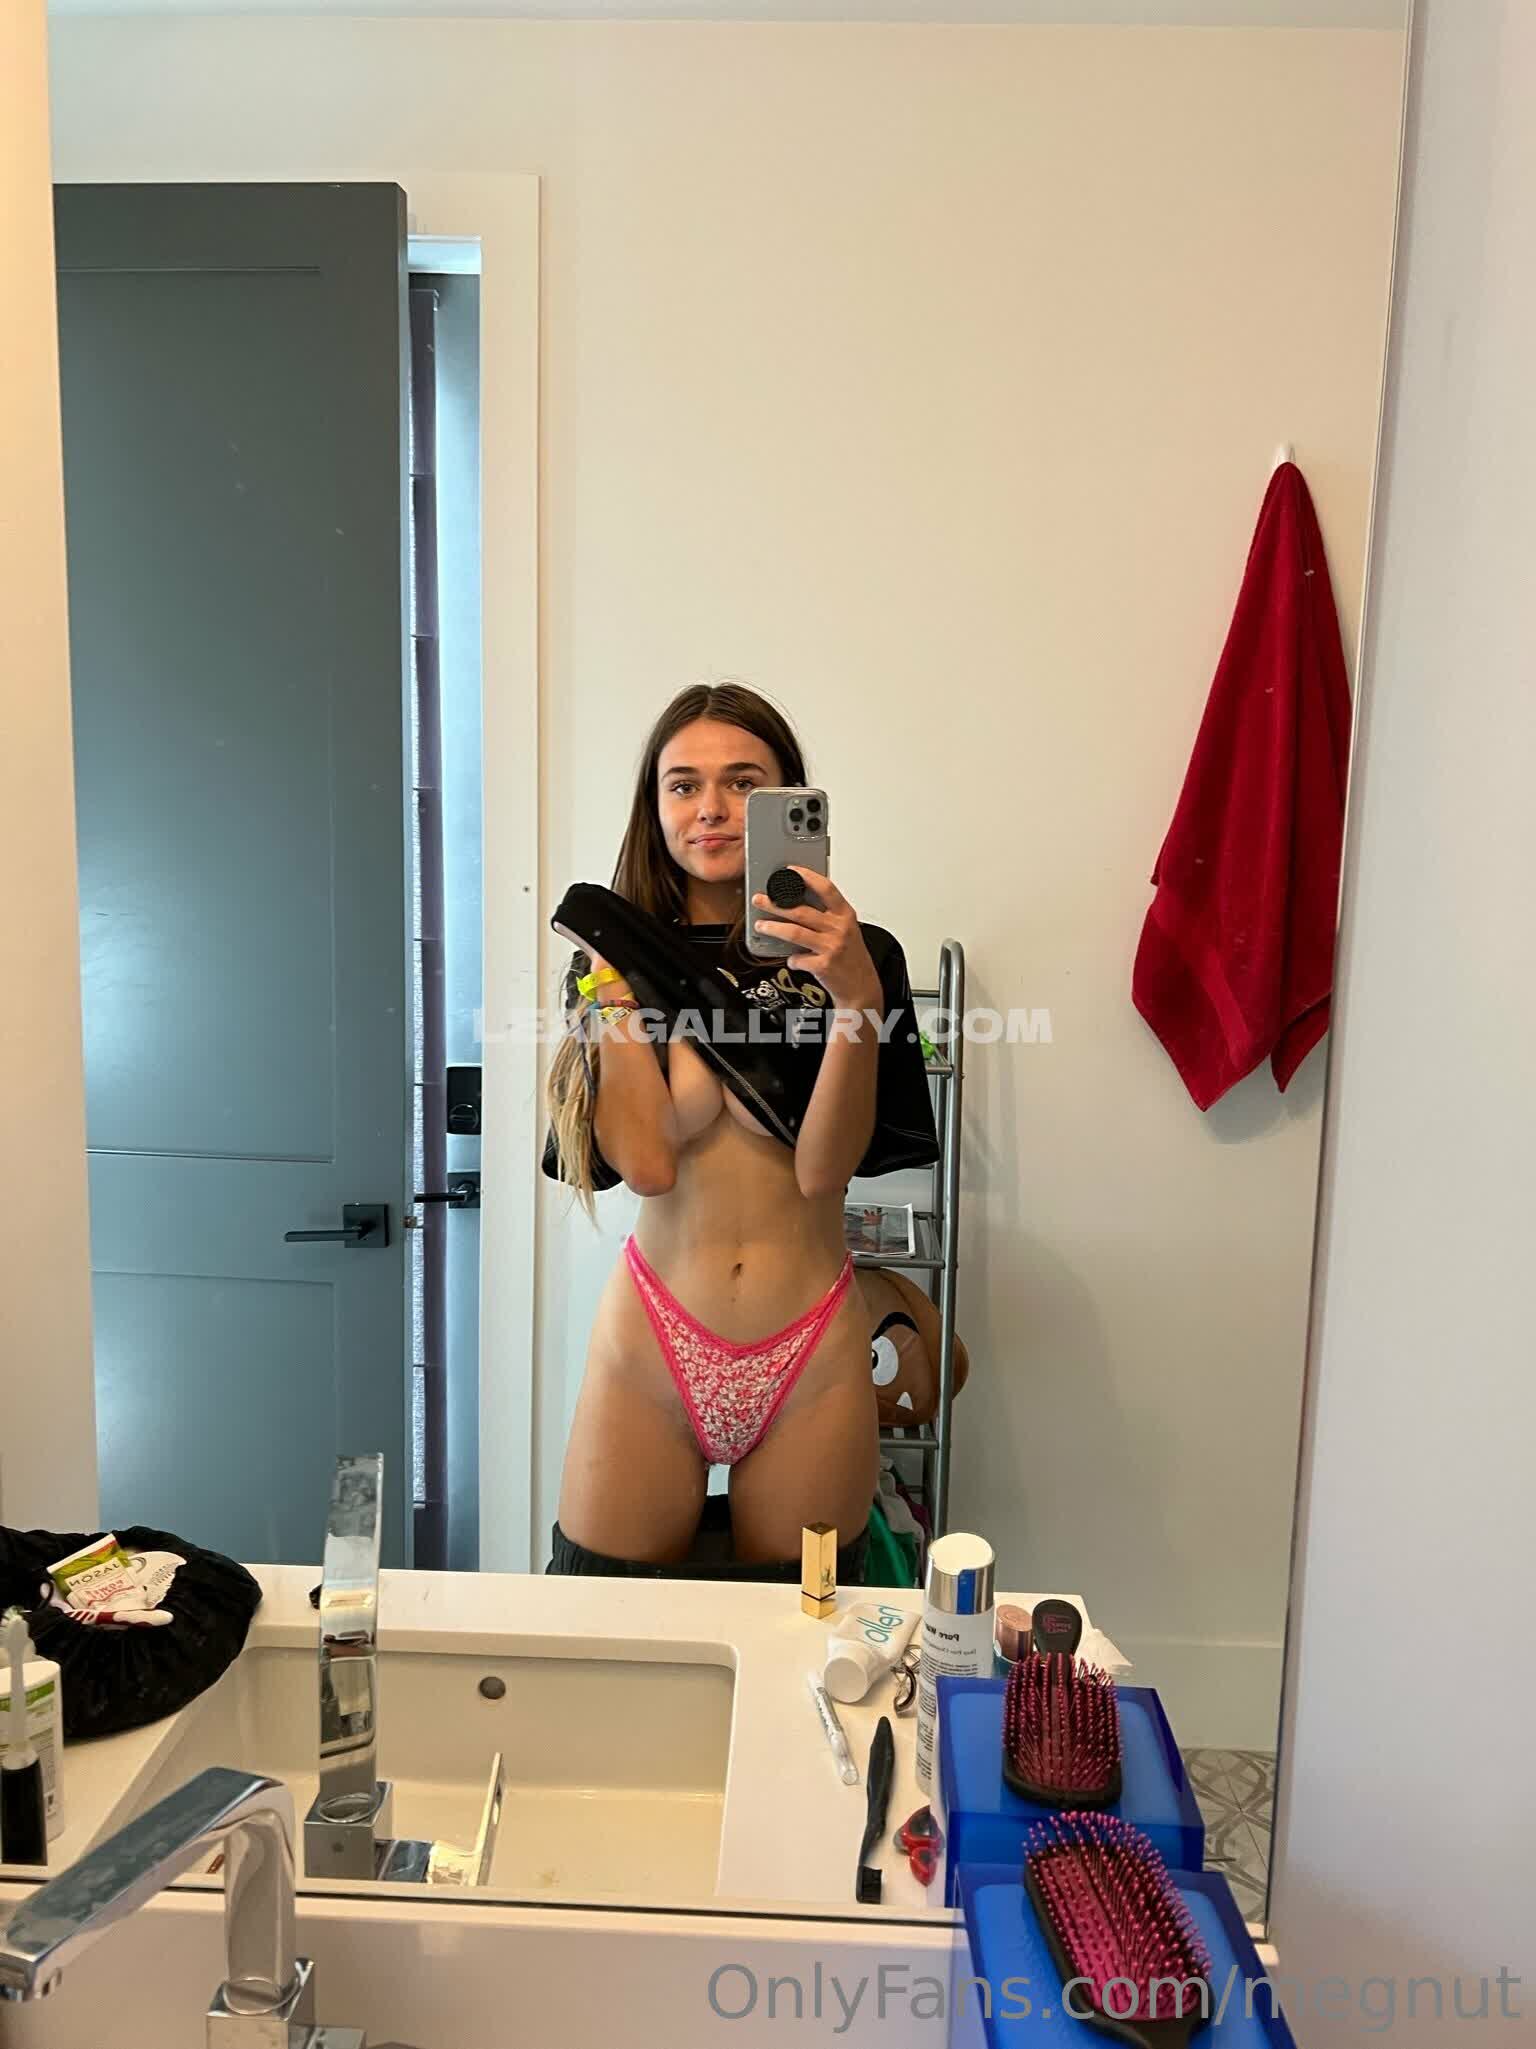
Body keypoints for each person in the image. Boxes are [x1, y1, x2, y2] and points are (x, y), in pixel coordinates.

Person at [544, 681, 938, 1578]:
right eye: (683, 784)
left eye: (743, 783)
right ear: (654, 808)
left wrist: (855, 999)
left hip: (812, 1346)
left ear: (787, 798)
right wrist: (615, 993)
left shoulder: (862, 957)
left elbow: (824, 1169)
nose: (711, 808)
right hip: (652, 1339)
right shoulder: (612, 958)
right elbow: (646, 1163)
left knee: (804, 1623)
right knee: (607, 1613)